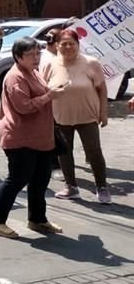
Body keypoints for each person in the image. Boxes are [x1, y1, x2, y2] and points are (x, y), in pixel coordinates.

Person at [0, 38, 64, 239]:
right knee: (17, 179)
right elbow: (24, 107)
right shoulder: (15, 77)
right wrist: (49, 96)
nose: (36, 58)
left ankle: (37, 219)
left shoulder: (34, 72)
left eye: (38, 53)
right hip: (19, 137)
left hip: (41, 137)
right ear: (18, 57)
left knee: (40, 179)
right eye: (31, 54)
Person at [41, 28, 111, 204]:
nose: (67, 47)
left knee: (94, 152)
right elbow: (43, 89)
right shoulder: (50, 64)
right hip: (61, 117)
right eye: (63, 44)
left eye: (71, 44)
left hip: (87, 116)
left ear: (78, 45)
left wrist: (103, 113)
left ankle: (102, 187)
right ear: (56, 46)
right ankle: (71, 187)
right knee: (64, 153)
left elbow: (102, 89)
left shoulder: (91, 63)